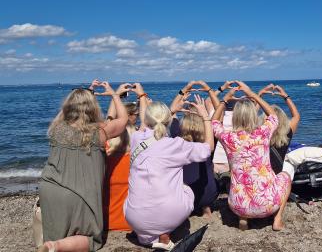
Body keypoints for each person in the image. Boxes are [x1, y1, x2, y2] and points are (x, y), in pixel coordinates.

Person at [38, 80, 129, 252]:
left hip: (49, 188)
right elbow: (123, 120)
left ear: (68, 106)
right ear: (92, 108)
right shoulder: (98, 133)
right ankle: (55, 246)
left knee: (58, 232)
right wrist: (115, 95)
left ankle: (54, 244)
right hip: (77, 194)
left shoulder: (56, 128)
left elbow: (63, 113)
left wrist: (87, 92)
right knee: (91, 239)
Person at [123, 86, 214, 250]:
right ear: (168, 120)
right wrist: (206, 117)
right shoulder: (175, 145)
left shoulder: (136, 138)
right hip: (168, 214)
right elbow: (208, 149)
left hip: (133, 216)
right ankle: (164, 231)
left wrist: (145, 97)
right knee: (186, 188)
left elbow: (147, 124)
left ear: (147, 119)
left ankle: (147, 236)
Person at [211, 81, 292, 231]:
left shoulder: (228, 138)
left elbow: (214, 122)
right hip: (267, 206)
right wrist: (252, 94)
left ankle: (243, 219)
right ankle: (277, 219)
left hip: (237, 206)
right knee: (285, 176)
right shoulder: (263, 133)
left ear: (235, 117)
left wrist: (225, 99)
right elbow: (273, 116)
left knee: (238, 182)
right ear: (254, 117)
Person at [169, 80, 219, 218]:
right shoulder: (211, 135)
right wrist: (208, 89)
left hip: (184, 193)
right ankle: (206, 209)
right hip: (207, 194)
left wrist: (185, 89)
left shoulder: (176, 135)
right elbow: (219, 109)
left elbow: (171, 111)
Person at [104, 93, 140, 231]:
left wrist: (116, 95)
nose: (137, 117)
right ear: (129, 115)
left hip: (106, 222)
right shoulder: (137, 159)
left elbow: (108, 121)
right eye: (136, 114)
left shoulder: (105, 154)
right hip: (129, 223)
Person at [258, 84, 300, 175]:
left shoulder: (259, 133)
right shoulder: (287, 133)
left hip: (261, 173)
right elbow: (296, 116)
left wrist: (260, 95)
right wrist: (285, 96)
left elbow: (251, 115)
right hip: (277, 174)